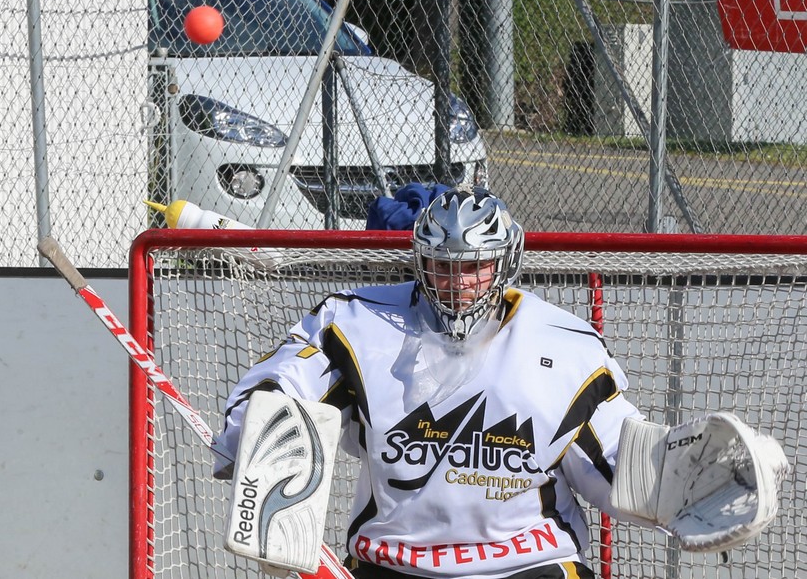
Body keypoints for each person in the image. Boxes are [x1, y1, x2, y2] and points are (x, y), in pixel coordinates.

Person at [215, 188, 639, 579]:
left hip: (529, 564)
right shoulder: (356, 324)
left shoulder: (566, 344)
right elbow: (283, 383)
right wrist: (256, 437)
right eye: (443, 266)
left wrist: (667, 479)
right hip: (393, 562)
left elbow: (619, 460)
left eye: (475, 266)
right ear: (421, 261)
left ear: (505, 262)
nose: (460, 283)